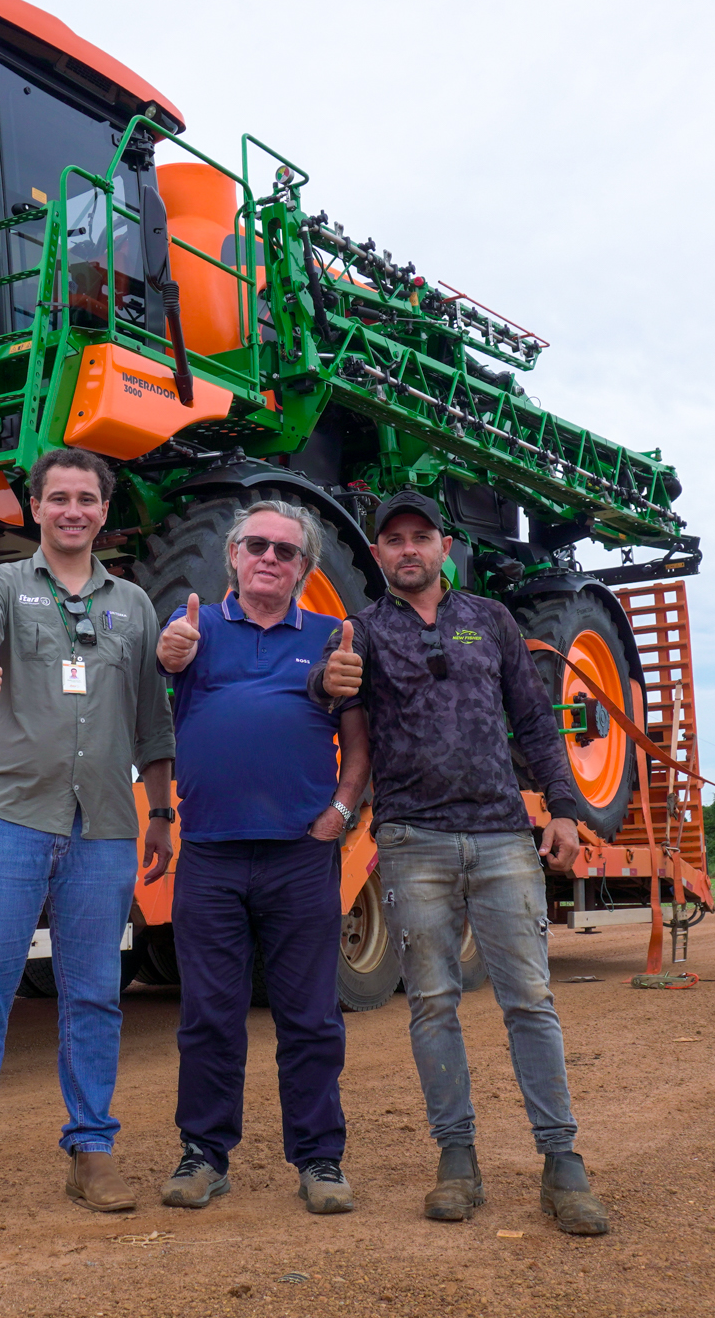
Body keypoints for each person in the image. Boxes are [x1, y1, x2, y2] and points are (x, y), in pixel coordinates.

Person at [309, 489, 610, 1236]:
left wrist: (566, 808)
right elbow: (326, 699)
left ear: (445, 547)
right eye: (394, 540)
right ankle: (457, 1158)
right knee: (433, 1001)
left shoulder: (491, 619)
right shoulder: (363, 632)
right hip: (413, 841)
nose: (408, 549)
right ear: (377, 554)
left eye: (421, 536)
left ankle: (562, 1161)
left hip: (505, 836)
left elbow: (534, 721)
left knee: (529, 1001)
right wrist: (325, 682)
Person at [0, 448, 176, 1225]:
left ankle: (92, 1152)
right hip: (8, 816)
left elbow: (152, 724)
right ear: (35, 507)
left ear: (102, 510)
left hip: (105, 827)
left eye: (86, 498)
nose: (72, 511)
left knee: (93, 994)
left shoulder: (135, 604)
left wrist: (159, 812)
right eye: (58, 498)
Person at [150, 499, 371, 1216]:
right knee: (209, 1013)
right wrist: (167, 654)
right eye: (257, 545)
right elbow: (157, 683)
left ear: (305, 568)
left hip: (299, 858)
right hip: (210, 853)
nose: (270, 558)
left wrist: (338, 815)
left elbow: (359, 740)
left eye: (286, 550)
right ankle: (204, 1155)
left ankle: (320, 1158)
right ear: (234, 557)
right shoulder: (196, 631)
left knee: (309, 1014)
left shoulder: (330, 637)